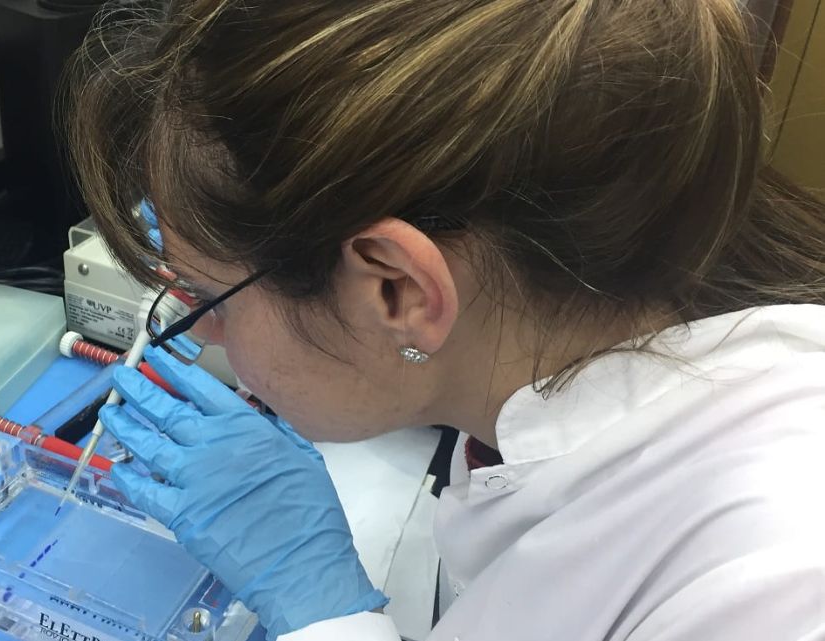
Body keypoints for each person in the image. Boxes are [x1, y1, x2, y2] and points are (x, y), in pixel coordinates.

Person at [64, 1, 825, 639]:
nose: (204, 333)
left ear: (398, 291)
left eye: (210, 300)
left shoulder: (771, 584)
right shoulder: (571, 328)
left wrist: (327, 618)